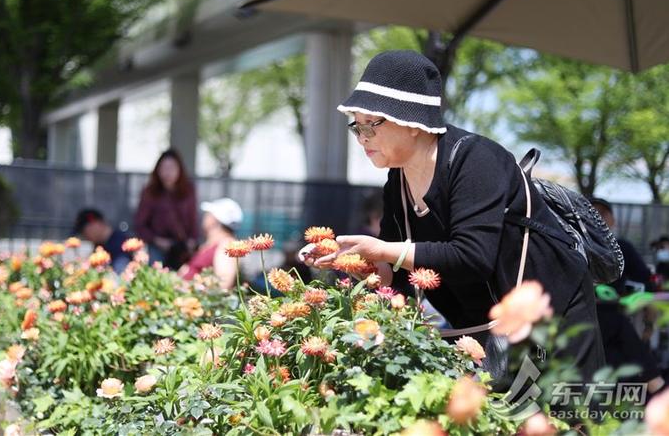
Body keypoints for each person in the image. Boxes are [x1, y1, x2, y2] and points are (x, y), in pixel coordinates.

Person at [302, 50, 604, 382]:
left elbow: (473, 256)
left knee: (575, 423)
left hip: (553, 314)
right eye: (355, 127)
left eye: (371, 126)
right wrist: (357, 263)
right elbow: (402, 278)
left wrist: (384, 250)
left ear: (411, 122)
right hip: (483, 329)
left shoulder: (475, 159)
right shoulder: (397, 181)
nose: (362, 139)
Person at [135, 149, 199, 270]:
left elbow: (193, 220)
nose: (168, 173)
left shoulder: (188, 191)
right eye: (164, 168)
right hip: (157, 247)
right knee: (155, 274)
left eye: (172, 168)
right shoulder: (150, 192)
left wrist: (191, 241)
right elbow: (140, 224)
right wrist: (157, 240)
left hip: (182, 247)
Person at [590, 197, 653, 294]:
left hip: (615, 306)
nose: (597, 217)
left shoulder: (623, 248)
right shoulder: (571, 247)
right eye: (590, 213)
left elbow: (644, 279)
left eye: (602, 213)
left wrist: (624, 290)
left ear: (613, 221)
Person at [178, 198, 242, 290]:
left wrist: (190, 287)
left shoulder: (226, 245)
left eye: (208, 215)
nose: (204, 217)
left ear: (214, 220)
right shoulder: (212, 244)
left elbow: (223, 284)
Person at [73, 208, 132, 273]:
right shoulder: (99, 245)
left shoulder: (122, 244)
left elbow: (121, 271)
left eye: (84, 232)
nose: (85, 237)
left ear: (94, 224)